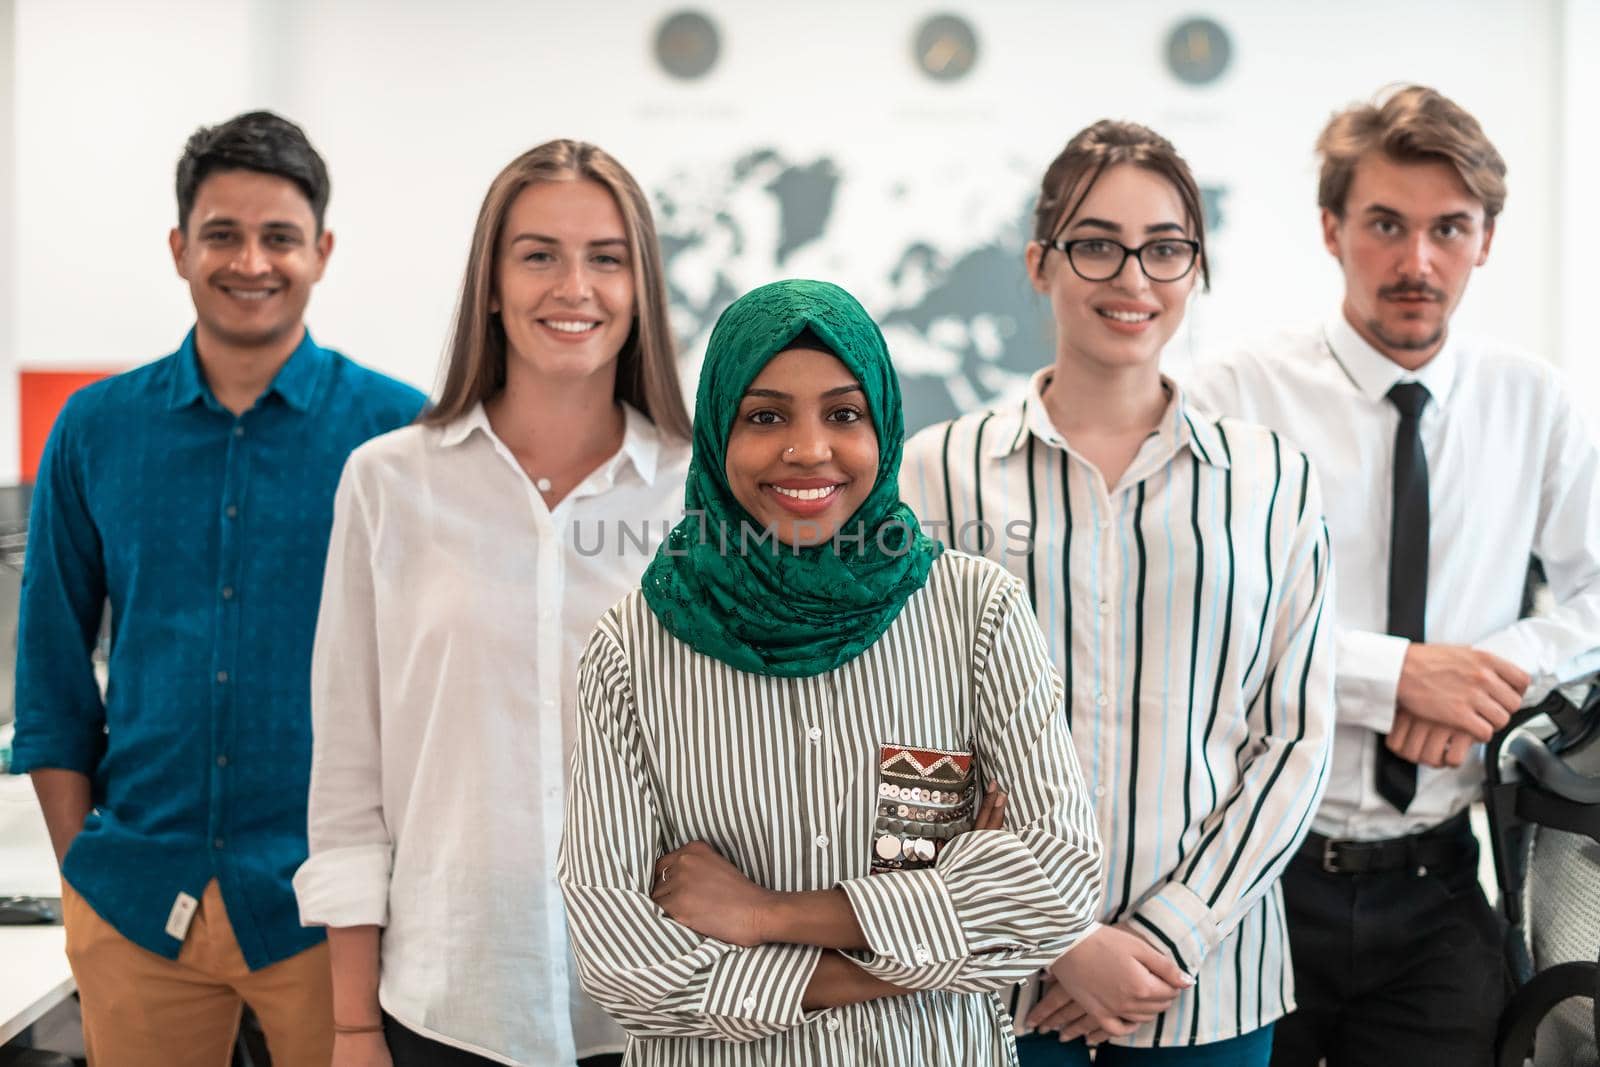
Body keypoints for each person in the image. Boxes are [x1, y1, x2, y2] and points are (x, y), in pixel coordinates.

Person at [558, 278, 1104, 1065]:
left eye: (844, 414)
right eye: (765, 415)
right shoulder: (634, 650)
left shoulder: (976, 614)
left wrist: (767, 913)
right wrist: (903, 960)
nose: (808, 448)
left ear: (882, 424)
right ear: (717, 434)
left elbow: (1054, 890)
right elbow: (622, 961)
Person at [902, 121, 1336, 1066]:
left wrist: (1162, 938)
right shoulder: (932, 475)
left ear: (1196, 268)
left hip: (1206, 986)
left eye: (1166, 248)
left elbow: (1296, 739)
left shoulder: (1274, 482)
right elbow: (902, 737)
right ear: (1039, 263)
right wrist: (1058, 935)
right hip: (984, 981)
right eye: (1096, 244)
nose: (1132, 278)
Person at [1184, 85, 1600, 1067]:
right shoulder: (1232, 394)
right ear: (1331, 228)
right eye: (1385, 224)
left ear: (1485, 239)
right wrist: (1394, 675)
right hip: (1253, 877)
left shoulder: (1534, 401)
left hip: (1439, 888)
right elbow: (1195, 613)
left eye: (1447, 228)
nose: (1416, 262)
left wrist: (1484, 671)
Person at [12, 111, 425, 1066]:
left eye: (279, 236)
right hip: (136, 902)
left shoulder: (399, 434)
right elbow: (52, 669)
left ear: (321, 250)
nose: (252, 261)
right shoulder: (96, 429)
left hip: (334, 908)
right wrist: (81, 866)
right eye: (222, 235)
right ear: (179, 248)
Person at [293, 139, 692, 1067]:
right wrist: (353, 1026)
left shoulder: (698, 495)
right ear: (492, 283)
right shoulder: (388, 482)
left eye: (606, 257)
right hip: (447, 1004)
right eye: (538, 254)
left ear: (641, 289)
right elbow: (349, 777)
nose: (574, 287)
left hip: (659, 1008)